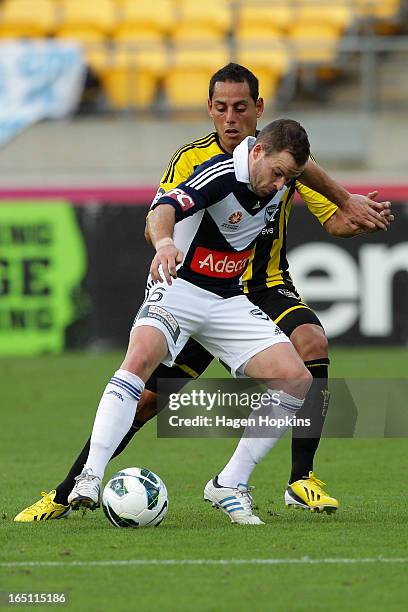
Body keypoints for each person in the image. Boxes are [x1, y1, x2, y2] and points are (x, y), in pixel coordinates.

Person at [14, 64, 392, 523]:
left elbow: (315, 187)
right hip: (188, 285)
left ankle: (291, 479)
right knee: (147, 394)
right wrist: (166, 242)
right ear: (210, 111)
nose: (230, 118)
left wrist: (347, 203)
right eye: (220, 108)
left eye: (239, 108)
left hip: (256, 288)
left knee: (308, 351)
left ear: (259, 112)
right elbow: (162, 211)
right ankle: (72, 487)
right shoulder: (201, 165)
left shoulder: (285, 160)